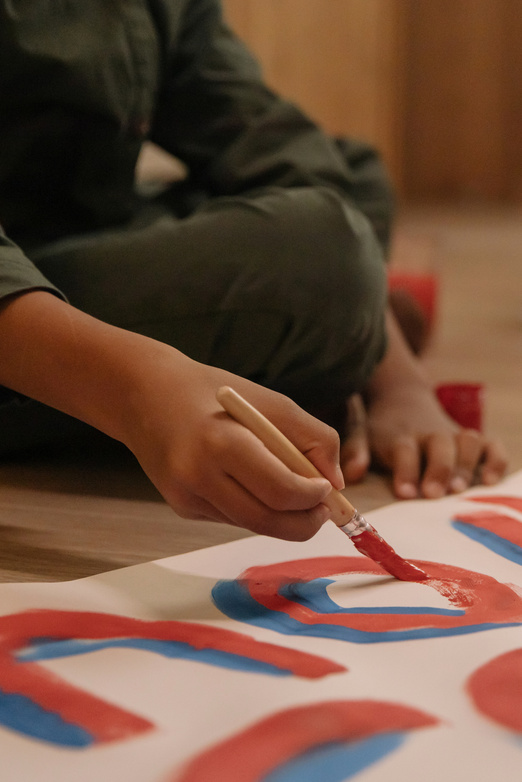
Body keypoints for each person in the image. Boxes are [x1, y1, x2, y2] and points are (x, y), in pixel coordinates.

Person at [0, 0, 507, 542]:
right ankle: (332, 332)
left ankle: (341, 332)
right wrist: (139, 392)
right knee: (321, 252)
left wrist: (399, 383)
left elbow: (268, 141)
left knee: (352, 178)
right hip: (24, 302)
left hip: (80, 235)